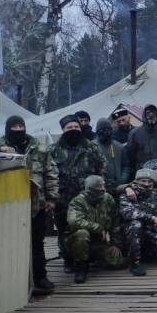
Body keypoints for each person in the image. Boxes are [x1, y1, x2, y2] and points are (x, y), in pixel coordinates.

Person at [0, 115, 59, 292]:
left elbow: (50, 173)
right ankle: (12, 280)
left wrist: (52, 198)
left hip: (36, 203)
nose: (18, 129)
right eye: (14, 127)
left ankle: (40, 276)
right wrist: (0, 148)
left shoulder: (39, 148)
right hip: (8, 203)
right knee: (9, 242)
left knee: (37, 241)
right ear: (8, 128)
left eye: (21, 126)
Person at [51, 114, 107, 273]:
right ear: (63, 130)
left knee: (85, 228)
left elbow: (102, 168)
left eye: (76, 127)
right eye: (69, 127)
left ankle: (85, 258)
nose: (73, 129)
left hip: (86, 198)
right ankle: (67, 259)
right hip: (62, 197)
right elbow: (48, 173)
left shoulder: (91, 147)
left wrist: (97, 189)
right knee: (63, 229)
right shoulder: (53, 149)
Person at [66, 175, 128, 283]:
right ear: (89, 188)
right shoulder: (77, 201)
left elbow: (115, 222)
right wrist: (97, 228)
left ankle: (95, 259)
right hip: (76, 242)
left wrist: (115, 244)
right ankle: (81, 267)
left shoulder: (108, 199)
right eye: (99, 186)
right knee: (82, 234)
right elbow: (74, 221)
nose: (103, 189)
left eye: (103, 185)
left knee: (119, 262)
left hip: (99, 242)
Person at [119, 168, 157, 275]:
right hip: (132, 234)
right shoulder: (128, 195)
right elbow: (127, 213)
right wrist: (152, 218)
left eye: (149, 181)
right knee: (135, 224)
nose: (146, 184)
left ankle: (147, 253)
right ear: (137, 181)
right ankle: (135, 263)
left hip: (151, 232)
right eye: (143, 181)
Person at [125, 104, 157, 174]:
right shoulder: (134, 134)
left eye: (154, 112)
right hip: (142, 174)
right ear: (144, 115)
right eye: (148, 112)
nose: (151, 115)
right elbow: (130, 156)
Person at [94, 118, 130, 194]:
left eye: (108, 129)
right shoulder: (92, 147)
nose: (105, 132)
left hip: (119, 186)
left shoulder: (119, 146)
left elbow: (126, 166)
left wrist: (123, 179)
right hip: (99, 187)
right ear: (97, 132)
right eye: (102, 130)